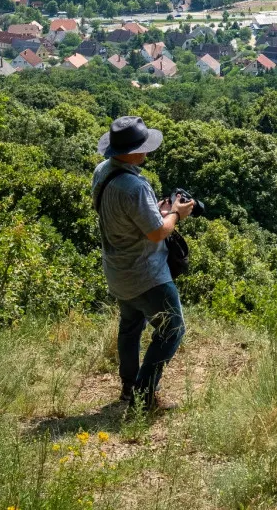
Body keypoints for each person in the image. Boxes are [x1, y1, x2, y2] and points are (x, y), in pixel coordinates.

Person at [92, 116, 194, 411]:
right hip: (146, 274)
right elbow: (157, 232)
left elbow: (124, 216)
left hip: (117, 270)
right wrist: (174, 213)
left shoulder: (103, 172)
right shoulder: (134, 187)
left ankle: (128, 389)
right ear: (133, 151)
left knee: (131, 325)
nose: (148, 151)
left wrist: (155, 210)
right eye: (144, 147)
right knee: (172, 328)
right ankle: (145, 395)